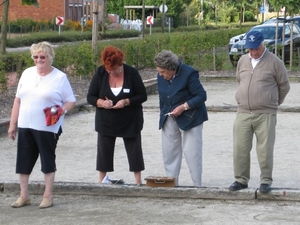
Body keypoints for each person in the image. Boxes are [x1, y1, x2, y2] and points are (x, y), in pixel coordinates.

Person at [8, 41, 76, 208]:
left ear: (50, 57)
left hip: (47, 126)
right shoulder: (27, 73)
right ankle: (24, 195)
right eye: (36, 56)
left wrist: (62, 111)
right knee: (23, 161)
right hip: (25, 124)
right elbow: (18, 100)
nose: (39, 59)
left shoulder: (59, 77)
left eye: (42, 56)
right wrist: (12, 124)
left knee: (47, 160)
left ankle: (48, 195)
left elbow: (70, 101)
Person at [229, 31, 290, 193]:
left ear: (263, 44)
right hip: (243, 112)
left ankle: (265, 180)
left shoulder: (275, 62)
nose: (253, 52)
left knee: (265, 149)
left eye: (256, 48)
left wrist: (273, 102)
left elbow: (284, 86)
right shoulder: (242, 61)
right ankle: (241, 179)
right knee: (240, 147)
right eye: (250, 49)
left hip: (266, 113)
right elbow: (239, 80)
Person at [87, 46, 147, 185]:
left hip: (130, 120)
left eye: (116, 70)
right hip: (106, 120)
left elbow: (142, 95)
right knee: (104, 152)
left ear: (121, 63)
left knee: (134, 151)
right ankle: (102, 181)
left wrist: (126, 101)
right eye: (110, 70)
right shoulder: (100, 73)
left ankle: (138, 182)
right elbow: (90, 96)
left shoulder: (132, 73)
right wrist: (102, 102)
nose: (113, 72)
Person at [154, 50, 208, 187]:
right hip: (169, 117)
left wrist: (184, 107)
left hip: (191, 118)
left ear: (172, 68)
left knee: (192, 153)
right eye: (159, 72)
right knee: (169, 153)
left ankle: (197, 186)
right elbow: (162, 97)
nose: (161, 75)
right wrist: (164, 114)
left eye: (163, 72)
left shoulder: (189, 73)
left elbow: (201, 96)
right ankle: (172, 184)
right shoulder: (161, 76)